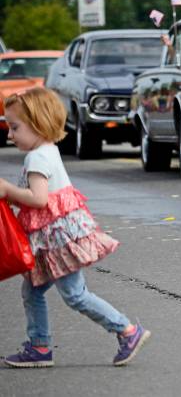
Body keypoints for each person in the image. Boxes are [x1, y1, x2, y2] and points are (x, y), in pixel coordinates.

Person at [0, 88, 150, 368]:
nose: (10, 135)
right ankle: (39, 347)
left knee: (75, 295)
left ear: (38, 123)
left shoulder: (37, 158)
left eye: (15, 127)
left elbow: (38, 199)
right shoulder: (47, 150)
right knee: (32, 291)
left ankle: (127, 331)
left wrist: (7, 190)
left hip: (56, 241)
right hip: (54, 238)